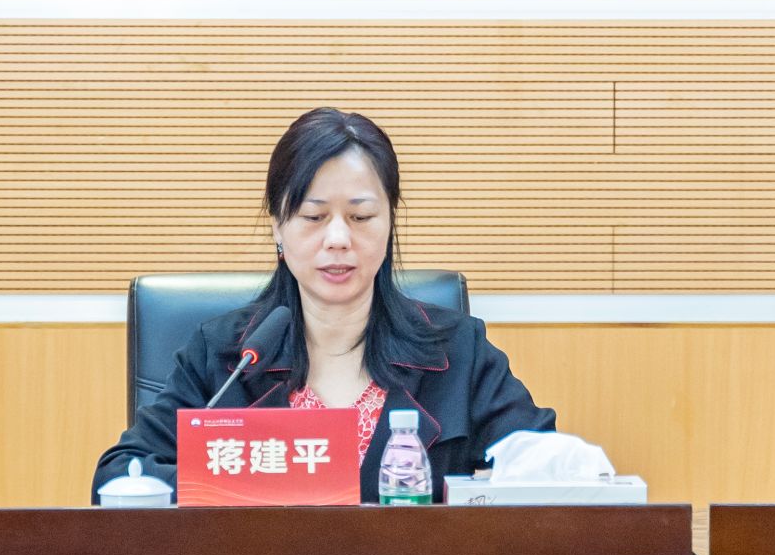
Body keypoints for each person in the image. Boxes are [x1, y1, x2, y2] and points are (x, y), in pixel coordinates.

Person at [95, 107, 555, 503]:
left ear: (390, 222)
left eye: (361, 216)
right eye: (314, 216)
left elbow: (545, 469)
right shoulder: (224, 356)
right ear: (278, 227)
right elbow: (120, 476)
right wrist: (247, 482)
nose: (338, 239)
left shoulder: (457, 349)